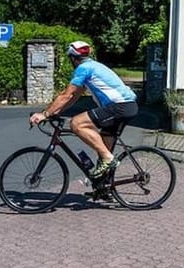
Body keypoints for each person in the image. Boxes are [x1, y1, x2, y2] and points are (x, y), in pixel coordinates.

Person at [29, 40, 138, 178]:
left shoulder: (83, 69)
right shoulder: (94, 66)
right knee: (104, 143)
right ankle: (105, 186)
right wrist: (55, 112)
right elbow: (73, 97)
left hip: (119, 106)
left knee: (76, 123)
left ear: (72, 58)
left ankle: (108, 159)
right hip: (128, 106)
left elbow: (65, 95)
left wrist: (45, 114)